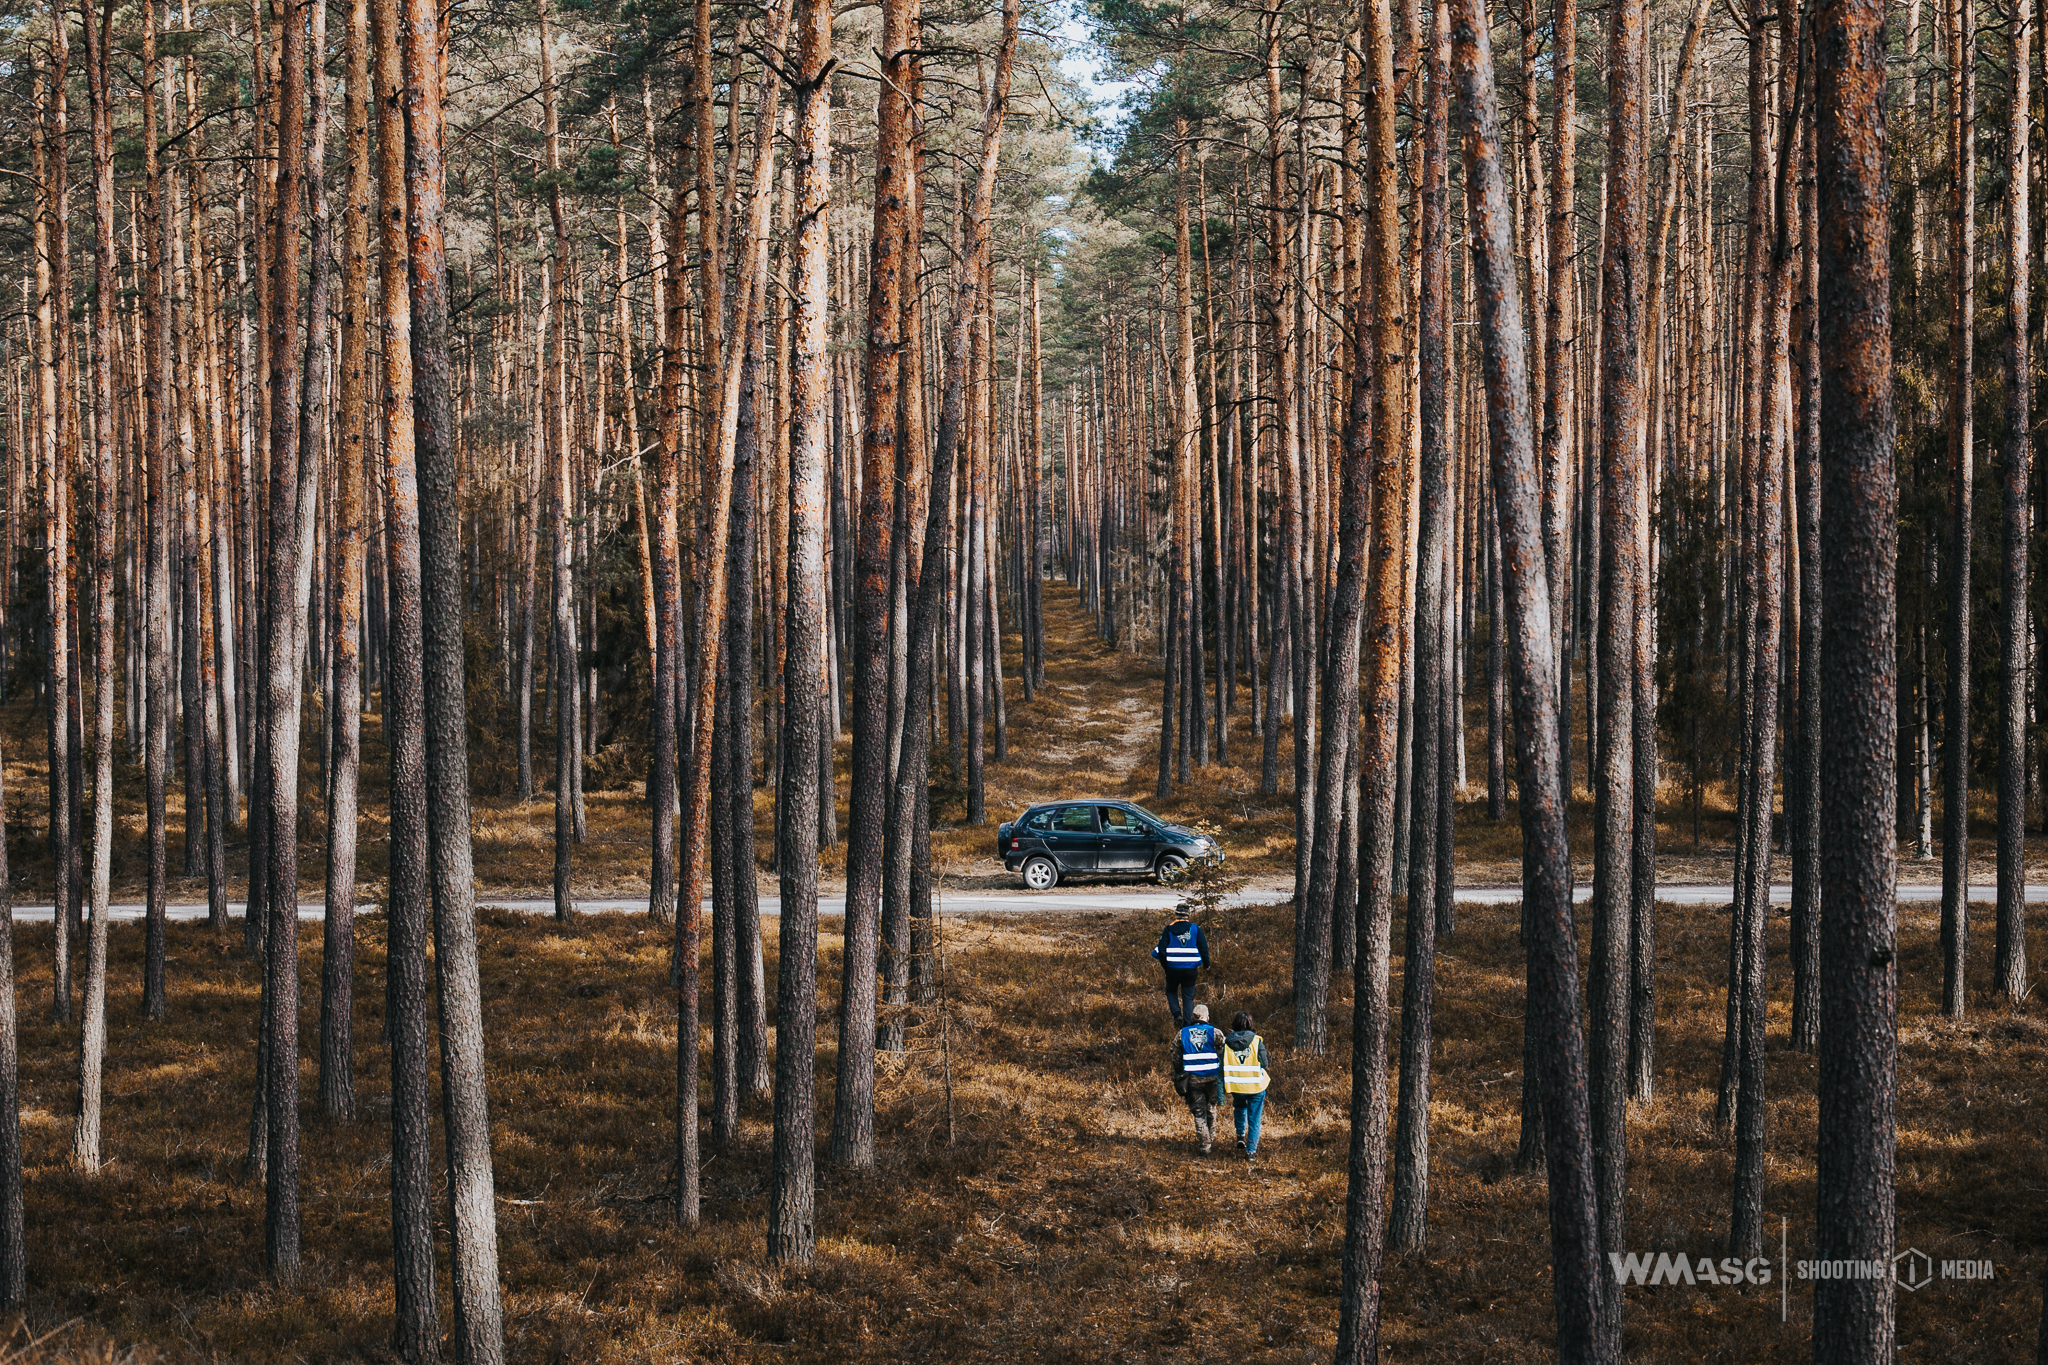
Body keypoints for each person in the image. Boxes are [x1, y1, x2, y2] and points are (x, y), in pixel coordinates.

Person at [1170, 1004, 1224, 1154]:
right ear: (1207, 1018)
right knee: (1211, 1108)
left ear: (1192, 1018)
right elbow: (1225, 1052)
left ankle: (1205, 1145)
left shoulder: (1182, 1034)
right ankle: (1211, 1139)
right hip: (1213, 1078)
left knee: (1199, 1112)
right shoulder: (1216, 1033)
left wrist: (1179, 1072)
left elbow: (1174, 1055)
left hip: (1193, 1079)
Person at [1150, 902, 1211, 1028]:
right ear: (1188, 915)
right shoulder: (1195, 929)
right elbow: (1203, 947)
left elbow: (1161, 950)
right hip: (1191, 969)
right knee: (1188, 997)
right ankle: (1187, 1025)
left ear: (1176, 914)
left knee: (1171, 990)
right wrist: (1207, 964)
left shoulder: (1168, 929)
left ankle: (1177, 1014)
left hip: (1173, 968)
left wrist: (1166, 966)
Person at [1222, 1010, 1270, 1163]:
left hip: (1236, 1085)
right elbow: (1265, 1063)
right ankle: (1251, 1151)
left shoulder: (1227, 1042)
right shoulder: (1256, 1041)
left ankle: (1240, 1136)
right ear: (1251, 1024)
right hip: (1255, 1086)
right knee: (1254, 1117)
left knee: (1240, 1107)